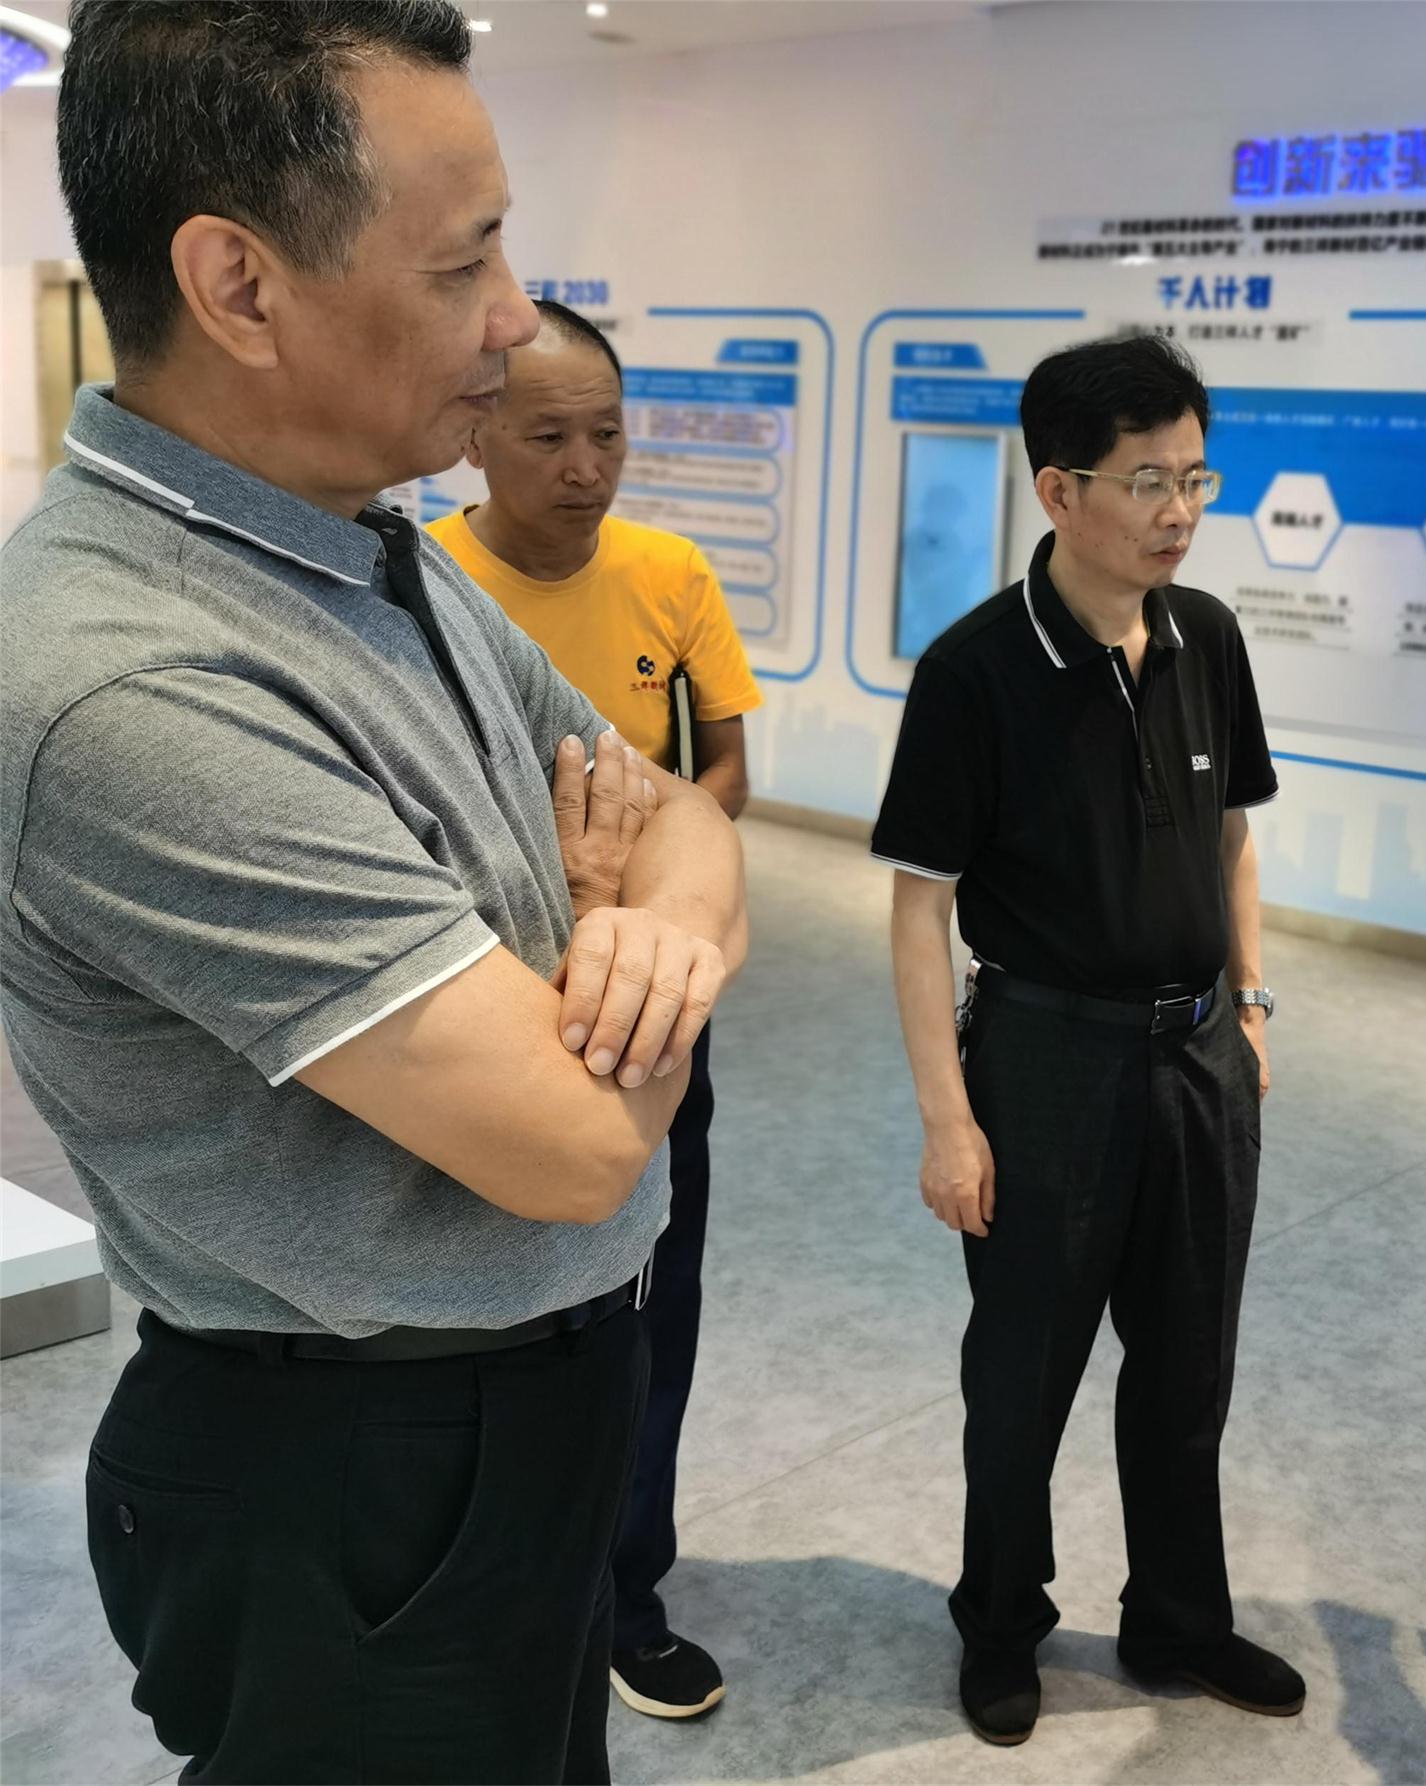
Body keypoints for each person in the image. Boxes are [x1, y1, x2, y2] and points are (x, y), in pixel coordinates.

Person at [0, 5, 747, 1780]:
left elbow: (687, 819)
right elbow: (574, 1145)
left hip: (524, 1397)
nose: (513, 319)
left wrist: (646, 921)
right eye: (464, 260)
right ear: (240, 287)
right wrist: (620, 925)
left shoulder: (371, 544)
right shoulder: (133, 678)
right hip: (357, 1472)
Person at [870, 333, 1301, 1747]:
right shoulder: (976, 671)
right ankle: (1000, 1620)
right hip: (1045, 1066)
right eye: (1147, 482)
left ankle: (1178, 1615)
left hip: (1200, 1061)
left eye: (1195, 477)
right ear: (1059, 489)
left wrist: (1248, 1001)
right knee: (1023, 1375)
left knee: (1188, 1369)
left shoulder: (1206, 636)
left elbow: (1232, 834)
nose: (1179, 511)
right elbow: (921, 908)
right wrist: (949, 1118)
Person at [428, 299, 763, 1723]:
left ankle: (628, 1590)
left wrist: (646, 891)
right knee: (489, 1305)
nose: (585, 467)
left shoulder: (669, 573)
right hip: (480, 1000)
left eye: (608, 434)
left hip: (654, 994)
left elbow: (724, 773)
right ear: (475, 435)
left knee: (652, 1292)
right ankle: (487, 1577)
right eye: (549, 436)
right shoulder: (425, 582)